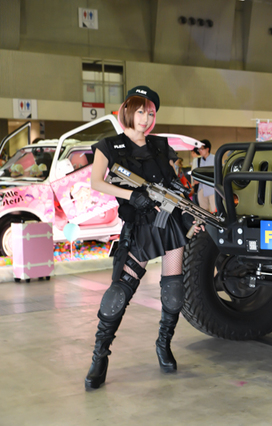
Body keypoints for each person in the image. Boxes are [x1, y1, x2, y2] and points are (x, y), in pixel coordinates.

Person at [85, 86, 202, 391]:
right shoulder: (109, 146)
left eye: (150, 113)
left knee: (174, 292)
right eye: (140, 111)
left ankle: (164, 344)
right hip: (138, 225)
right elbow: (97, 182)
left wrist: (189, 214)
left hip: (168, 223)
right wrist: (131, 196)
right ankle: (100, 356)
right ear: (127, 111)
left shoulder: (161, 146)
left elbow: (174, 186)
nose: (146, 118)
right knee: (119, 294)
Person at [194, 139, 216, 213]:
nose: (200, 151)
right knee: (203, 212)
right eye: (199, 149)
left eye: (201, 149)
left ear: (207, 149)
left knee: (214, 210)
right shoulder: (198, 160)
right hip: (201, 188)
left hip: (212, 189)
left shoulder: (215, 158)